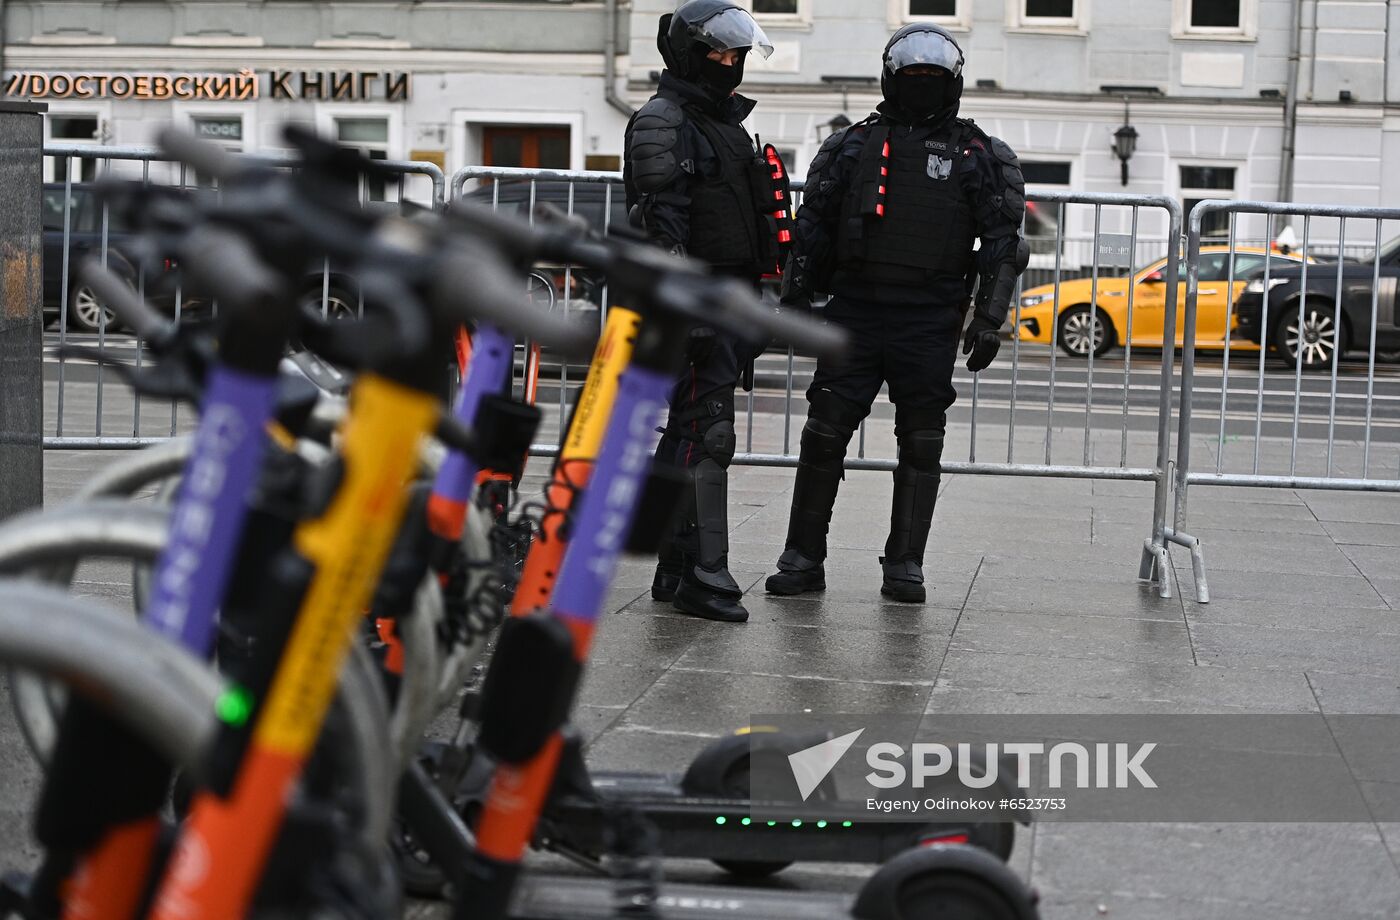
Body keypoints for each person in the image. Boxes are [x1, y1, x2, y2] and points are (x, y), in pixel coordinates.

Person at [763, 23, 1028, 603]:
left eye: (933, 78)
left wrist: (989, 318)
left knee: (922, 441)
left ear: (953, 83)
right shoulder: (851, 143)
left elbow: (1003, 241)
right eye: (913, 76)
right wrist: (796, 302)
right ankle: (803, 557)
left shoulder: (978, 153)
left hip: (929, 320)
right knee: (823, 434)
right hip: (855, 314)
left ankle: (905, 563)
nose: (922, 85)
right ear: (890, 78)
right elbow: (812, 229)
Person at [624, 0, 792, 623]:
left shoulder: (723, 123)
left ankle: (673, 562)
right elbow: (659, 225)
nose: (730, 63)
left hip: (730, 304)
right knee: (708, 432)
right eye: (718, 52)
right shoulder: (663, 122)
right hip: (693, 307)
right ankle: (704, 572)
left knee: (690, 430)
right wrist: (686, 312)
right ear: (688, 54)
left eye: (736, 53)